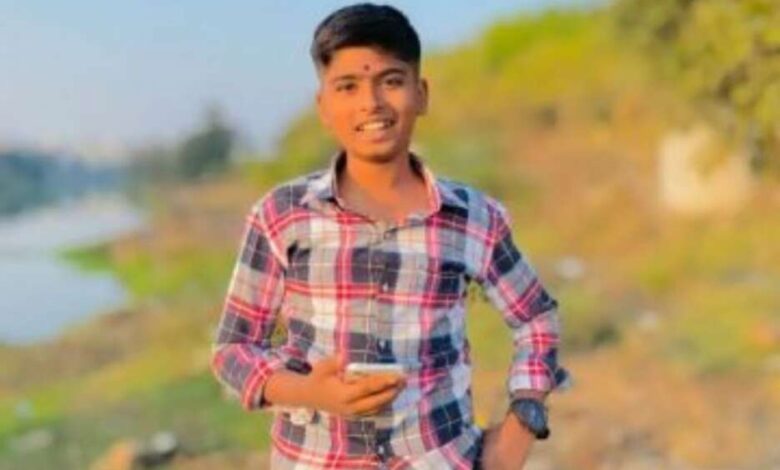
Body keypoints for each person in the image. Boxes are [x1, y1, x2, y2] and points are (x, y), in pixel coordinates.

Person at [211, 3, 570, 469]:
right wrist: (307, 391)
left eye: (392, 81)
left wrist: (521, 425)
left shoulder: (472, 218)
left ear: (421, 95)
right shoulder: (282, 215)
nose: (372, 103)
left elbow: (536, 317)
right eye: (348, 86)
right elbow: (233, 349)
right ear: (324, 107)